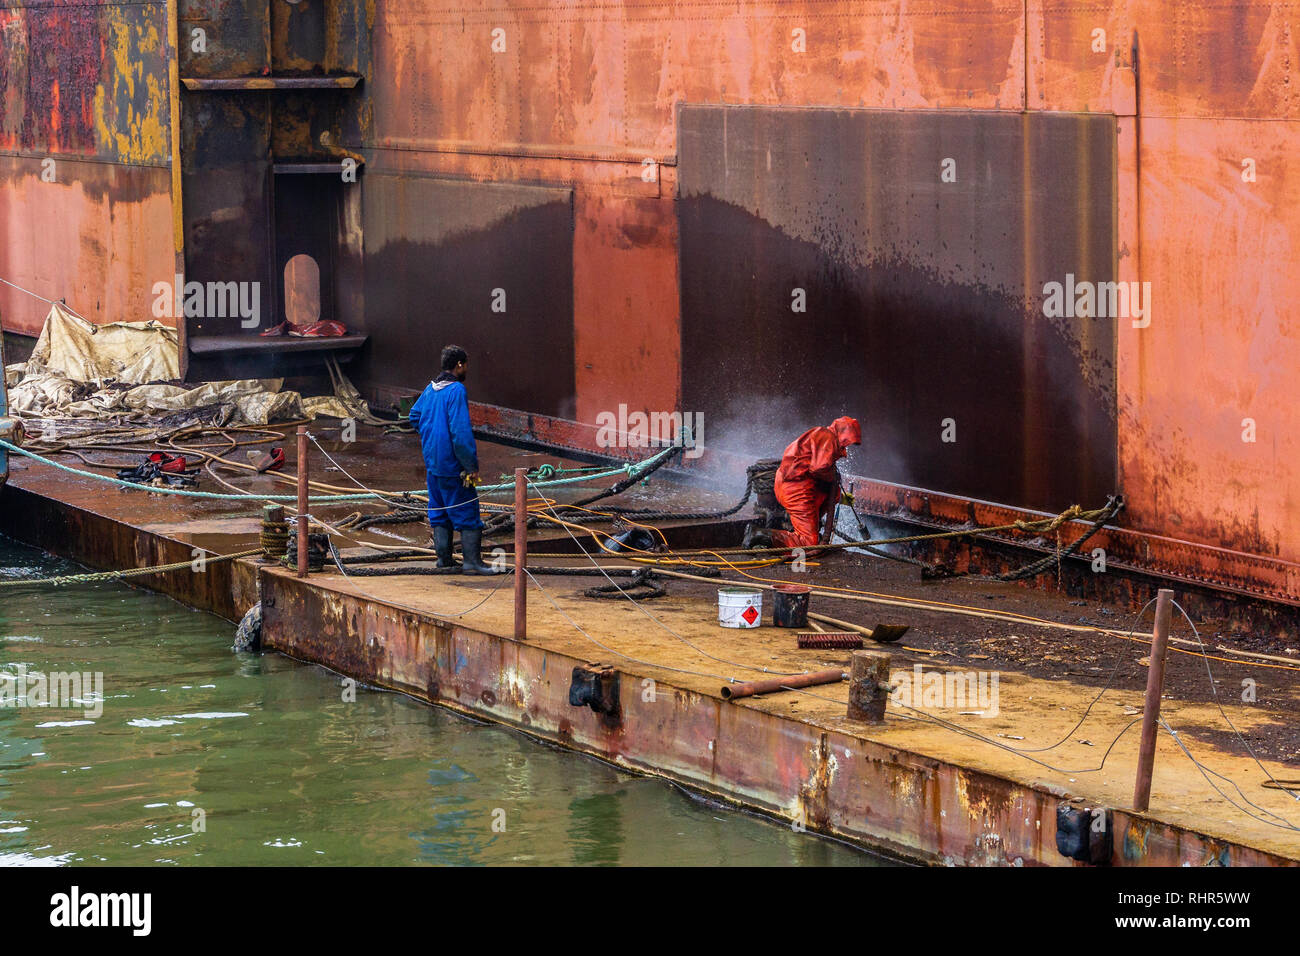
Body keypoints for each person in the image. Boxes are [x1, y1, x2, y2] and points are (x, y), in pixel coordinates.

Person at [408, 345, 501, 574]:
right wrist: (470, 466)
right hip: (453, 466)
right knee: (467, 510)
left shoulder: (430, 390)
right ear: (459, 364)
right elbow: (460, 434)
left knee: (438, 509)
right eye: (465, 364)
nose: (466, 368)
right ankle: (472, 563)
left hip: (433, 465)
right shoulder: (456, 391)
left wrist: (431, 435)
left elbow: (414, 415)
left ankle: (444, 560)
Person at [766, 416, 862, 550]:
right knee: (809, 542)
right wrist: (833, 478)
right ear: (843, 434)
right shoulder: (827, 437)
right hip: (795, 487)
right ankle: (761, 536)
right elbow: (819, 468)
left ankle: (809, 530)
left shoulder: (824, 436)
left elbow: (819, 474)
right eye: (848, 441)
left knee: (831, 496)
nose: (847, 447)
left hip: (794, 484)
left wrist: (839, 497)